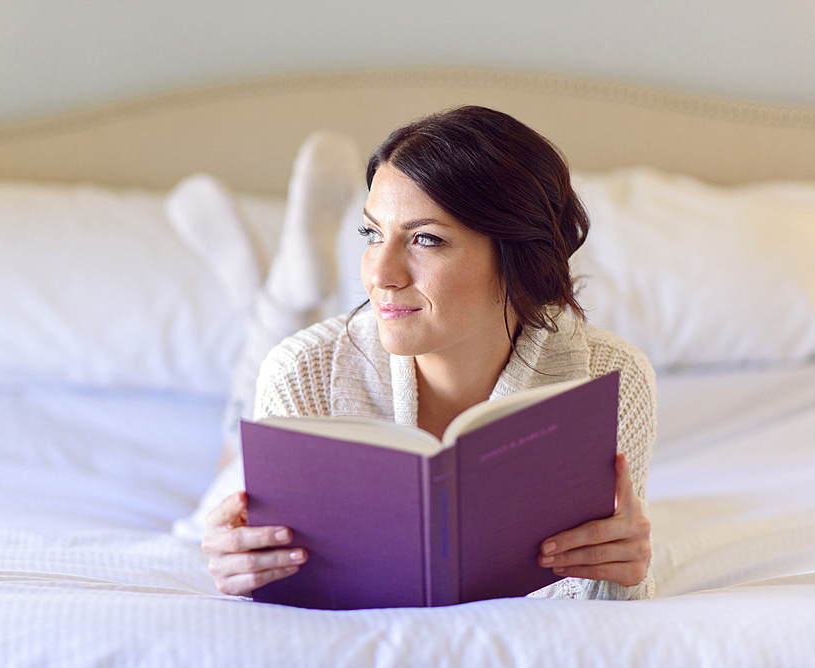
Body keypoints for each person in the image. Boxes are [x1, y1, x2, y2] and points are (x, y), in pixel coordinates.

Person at [201, 106, 656, 601]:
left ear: (518, 258)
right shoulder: (300, 372)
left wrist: (626, 575)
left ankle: (286, 290)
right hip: (288, 374)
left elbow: (601, 597)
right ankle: (281, 299)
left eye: (425, 239)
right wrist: (242, 571)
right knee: (223, 469)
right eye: (372, 233)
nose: (381, 275)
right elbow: (281, 603)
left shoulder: (610, 378)